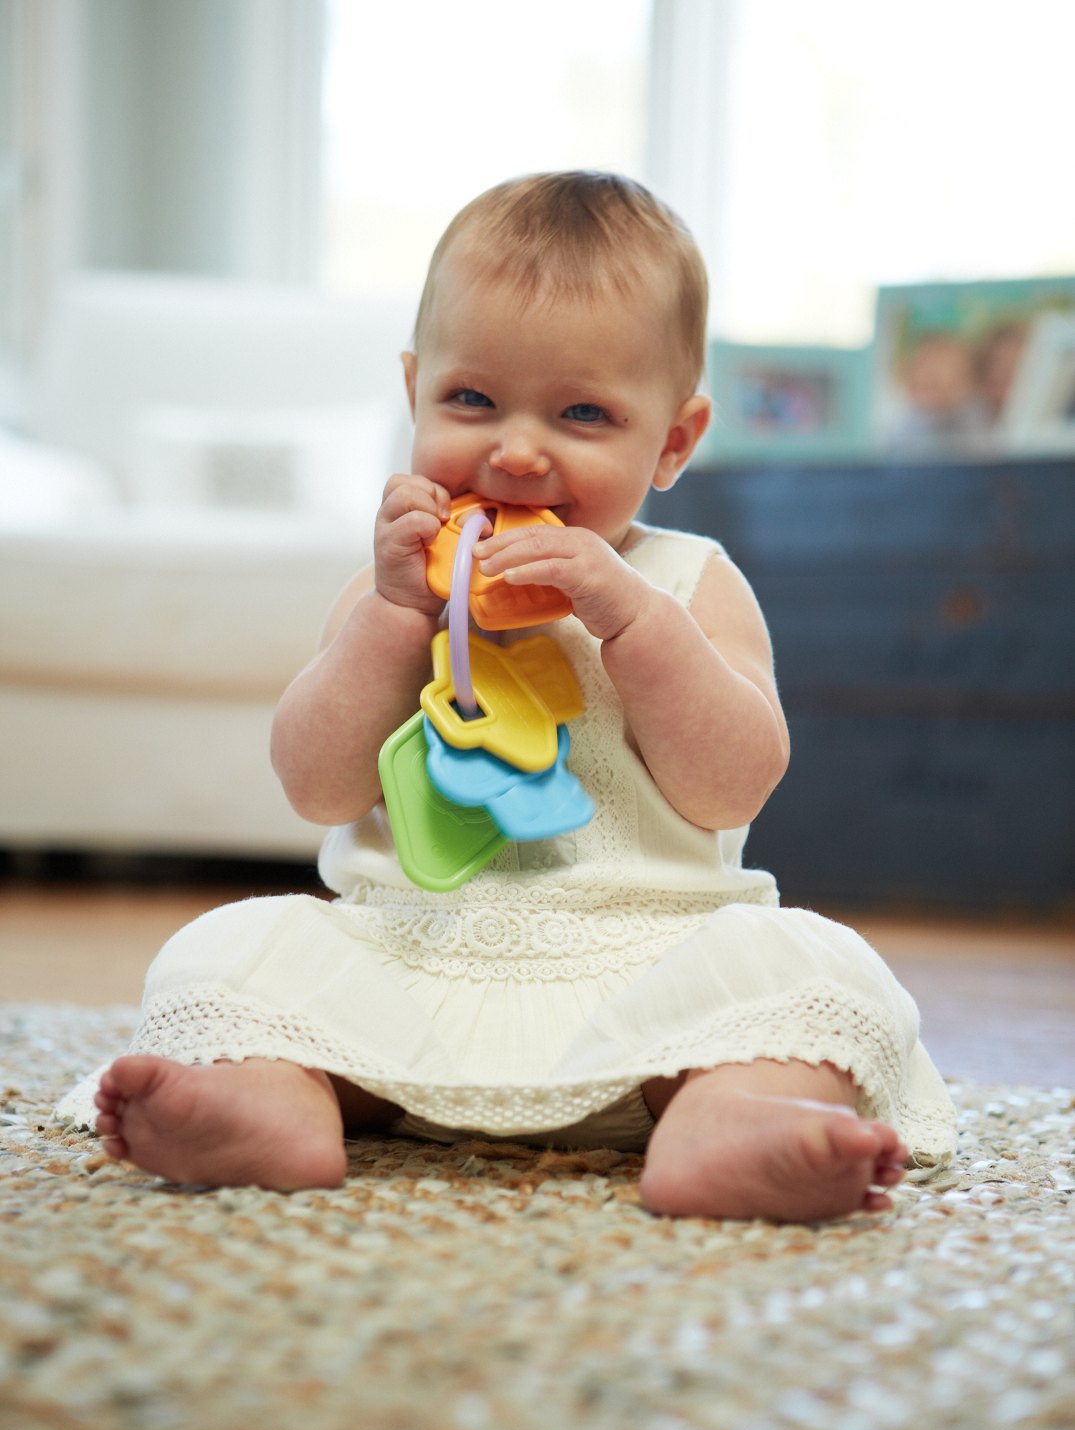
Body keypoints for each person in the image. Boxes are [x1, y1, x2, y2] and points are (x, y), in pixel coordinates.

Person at [87, 172, 957, 1222]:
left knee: (820, 973)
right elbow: (314, 786)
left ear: (673, 442)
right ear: (415, 392)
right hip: (408, 961)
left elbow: (732, 786)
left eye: (583, 413)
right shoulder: (389, 586)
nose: (515, 450)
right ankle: (267, 1102)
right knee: (221, 952)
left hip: (650, 979)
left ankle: (731, 1116)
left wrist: (631, 623)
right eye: (472, 400)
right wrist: (394, 619)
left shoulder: (689, 583)